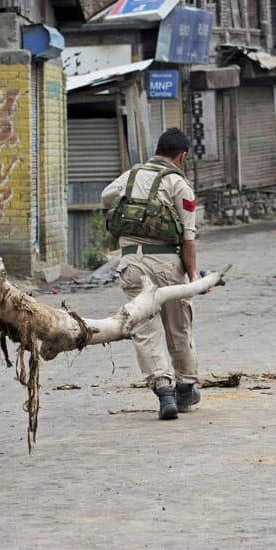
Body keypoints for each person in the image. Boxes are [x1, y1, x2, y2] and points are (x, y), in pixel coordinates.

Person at [101, 128, 202, 420]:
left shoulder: (130, 176)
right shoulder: (179, 185)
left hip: (132, 265)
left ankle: (163, 390)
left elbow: (106, 197)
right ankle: (185, 388)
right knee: (179, 326)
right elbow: (189, 238)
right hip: (167, 265)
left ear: (157, 150)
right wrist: (193, 276)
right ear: (181, 157)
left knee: (146, 330)